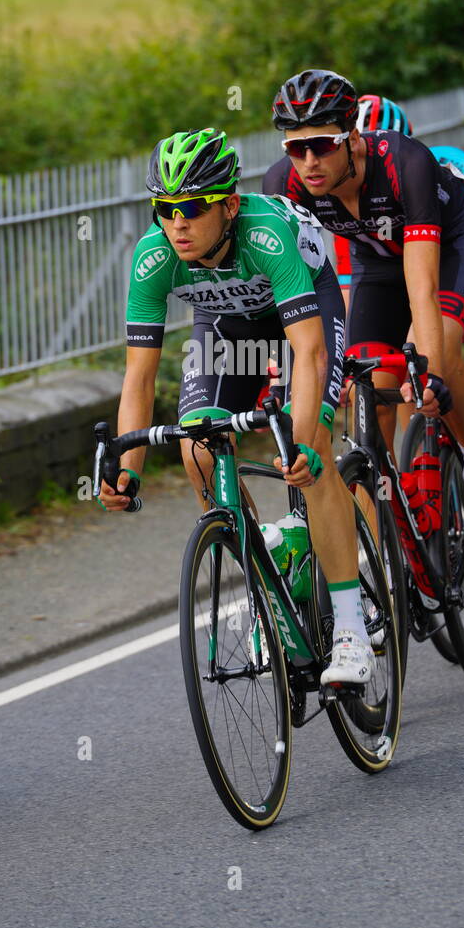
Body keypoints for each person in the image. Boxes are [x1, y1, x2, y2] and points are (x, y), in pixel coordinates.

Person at [99, 126, 379, 687]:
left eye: (194, 207)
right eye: (165, 208)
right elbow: (140, 375)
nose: (177, 223)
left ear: (228, 204)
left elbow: (308, 350)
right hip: (226, 328)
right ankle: (265, 582)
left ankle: (351, 628)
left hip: (305, 315)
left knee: (310, 458)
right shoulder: (155, 256)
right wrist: (126, 473)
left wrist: (302, 441)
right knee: (196, 447)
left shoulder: (268, 233)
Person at [263, 68, 464, 563]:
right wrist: (279, 368)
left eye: (321, 145)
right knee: (368, 388)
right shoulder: (284, 185)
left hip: (450, 251)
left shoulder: (403, 161)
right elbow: (290, 290)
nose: (309, 162)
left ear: (352, 135)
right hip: (378, 265)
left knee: (434, 340)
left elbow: (421, 280)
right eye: (296, 148)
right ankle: (390, 540)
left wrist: (431, 371)